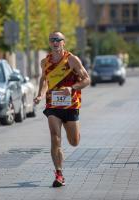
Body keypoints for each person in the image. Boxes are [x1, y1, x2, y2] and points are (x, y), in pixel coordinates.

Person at [34, 31, 90, 187]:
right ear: (49, 43)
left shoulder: (72, 60)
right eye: (52, 39)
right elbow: (44, 80)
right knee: (55, 137)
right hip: (53, 105)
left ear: (63, 42)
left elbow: (87, 79)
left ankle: (75, 134)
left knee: (74, 142)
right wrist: (40, 94)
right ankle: (59, 174)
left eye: (58, 39)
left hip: (71, 106)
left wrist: (72, 88)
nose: (55, 42)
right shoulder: (45, 62)